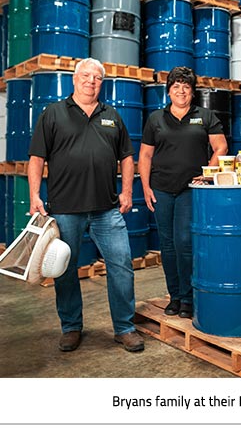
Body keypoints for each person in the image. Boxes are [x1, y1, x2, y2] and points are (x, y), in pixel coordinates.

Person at [28, 58, 144, 353]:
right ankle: (71, 327)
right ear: (75, 79)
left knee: (121, 265)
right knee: (65, 269)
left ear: (101, 83)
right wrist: (34, 196)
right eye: (86, 75)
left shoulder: (112, 116)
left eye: (97, 77)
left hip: (107, 209)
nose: (91, 81)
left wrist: (127, 192)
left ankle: (124, 327)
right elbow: (37, 159)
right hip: (65, 208)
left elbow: (127, 157)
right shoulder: (53, 113)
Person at [138, 66, 228, 319]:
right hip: (161, 189)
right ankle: (175, 296)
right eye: (176, 86)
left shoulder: (205, 116)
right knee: (166, 245)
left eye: (186, 87)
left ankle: (188, 298)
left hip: (191, 189)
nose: (181, 91)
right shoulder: (156, 119)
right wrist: (145, 187)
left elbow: (220, 147)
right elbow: (145, 155)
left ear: (192, 92)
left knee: (184, 242)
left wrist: (207, 174)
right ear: (168, 91)